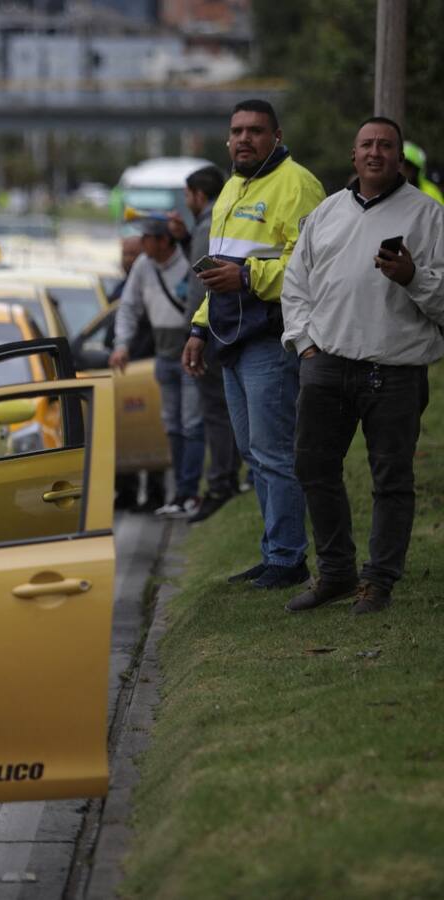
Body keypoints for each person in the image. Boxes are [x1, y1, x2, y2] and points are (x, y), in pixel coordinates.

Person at [281, 117, 444, 615]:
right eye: (367, 145)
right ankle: (336, 572)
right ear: (353, 156)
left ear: (400, 158)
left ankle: (379, 582)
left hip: (394, 372)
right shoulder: (327, 212)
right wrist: (306, 346)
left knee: (391, 480)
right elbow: (296, 285)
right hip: (326, 366)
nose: (375, 153)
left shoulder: (429, 217)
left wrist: (413, 276)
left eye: (386, 146)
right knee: (314, 468)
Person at [182, 99, 326, 590]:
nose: (244, 139)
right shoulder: (230, 190)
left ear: (276, 136)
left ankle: (288, 559)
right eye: (237, 131)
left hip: (271, 337)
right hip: (230, 339)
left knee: (275, 452)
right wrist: (199, 329)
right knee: (252, 451)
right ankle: (275, 552)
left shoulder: (298, 184)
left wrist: (247, 276)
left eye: (255, 131)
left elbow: (310, 267)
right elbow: (216, 273)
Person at [111, 218, 202, 516]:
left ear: (164, 241)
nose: (142, 244)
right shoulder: (144, 266)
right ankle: (179, 495)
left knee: (191, 424)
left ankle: (189, 492)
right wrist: (121, 344)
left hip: (189, 352)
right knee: (172, 426)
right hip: (163, 357)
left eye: (147, 238)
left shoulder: (188, 260)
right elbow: (129, 306)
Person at [169, 164, 242, 522]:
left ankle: (220, 483)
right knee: (226, 408)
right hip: (225, 326)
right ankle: (231, 478)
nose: (187, 202)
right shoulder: (221, 217)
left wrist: (194, 331)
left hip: (210, 329)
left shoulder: (209, 222)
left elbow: (202, 285)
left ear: (199, 195)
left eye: (187, 196)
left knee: (215, 411)